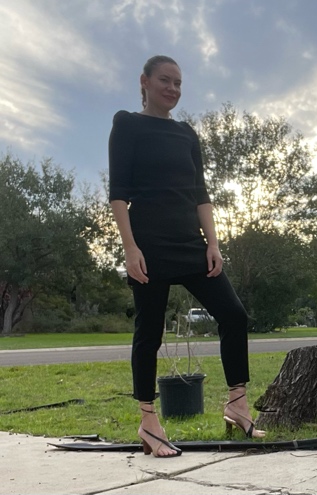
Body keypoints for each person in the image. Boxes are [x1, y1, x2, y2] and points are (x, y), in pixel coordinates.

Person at [109, 55, 265, 458]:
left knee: (233, 315)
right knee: (149, 333)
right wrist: (130, 249)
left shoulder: (186, 133)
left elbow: (201, 194)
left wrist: (213, 244)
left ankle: (237, 404)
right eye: (166, 80)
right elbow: (119, 193)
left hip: (190, 244)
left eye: (179, 83)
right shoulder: (127, 123)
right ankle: (148, 420)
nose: (174, 89)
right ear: (144, 81)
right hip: (149, 246)